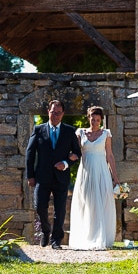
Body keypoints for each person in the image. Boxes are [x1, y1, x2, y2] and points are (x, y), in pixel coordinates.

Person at [25, 99, 81, 249]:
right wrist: (30, 175)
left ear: (62, 114)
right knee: (39, 206)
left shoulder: (70, 131)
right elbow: (30, 154)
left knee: (60, 210)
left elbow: (77, 153)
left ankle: (56, 241)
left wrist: (66, 163)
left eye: (58, 113)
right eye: (52, 112)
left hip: (61, 177)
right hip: (42, 177)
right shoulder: (38, 130)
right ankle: (45, 230)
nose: (55, 115)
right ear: (48, 112)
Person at [69, 106, 121, 250]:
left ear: (101, 120)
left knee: (102, 201)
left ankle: (101, 236)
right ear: (89, 118)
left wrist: (115, 178)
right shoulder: (80, 133)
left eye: (98, 120)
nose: (95, 122)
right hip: (85, 172)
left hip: (101, 172)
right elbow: (74, 151)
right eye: (93, 119)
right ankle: (86, 236)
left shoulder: (106, 134)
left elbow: (109, 155)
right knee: (87, 202)